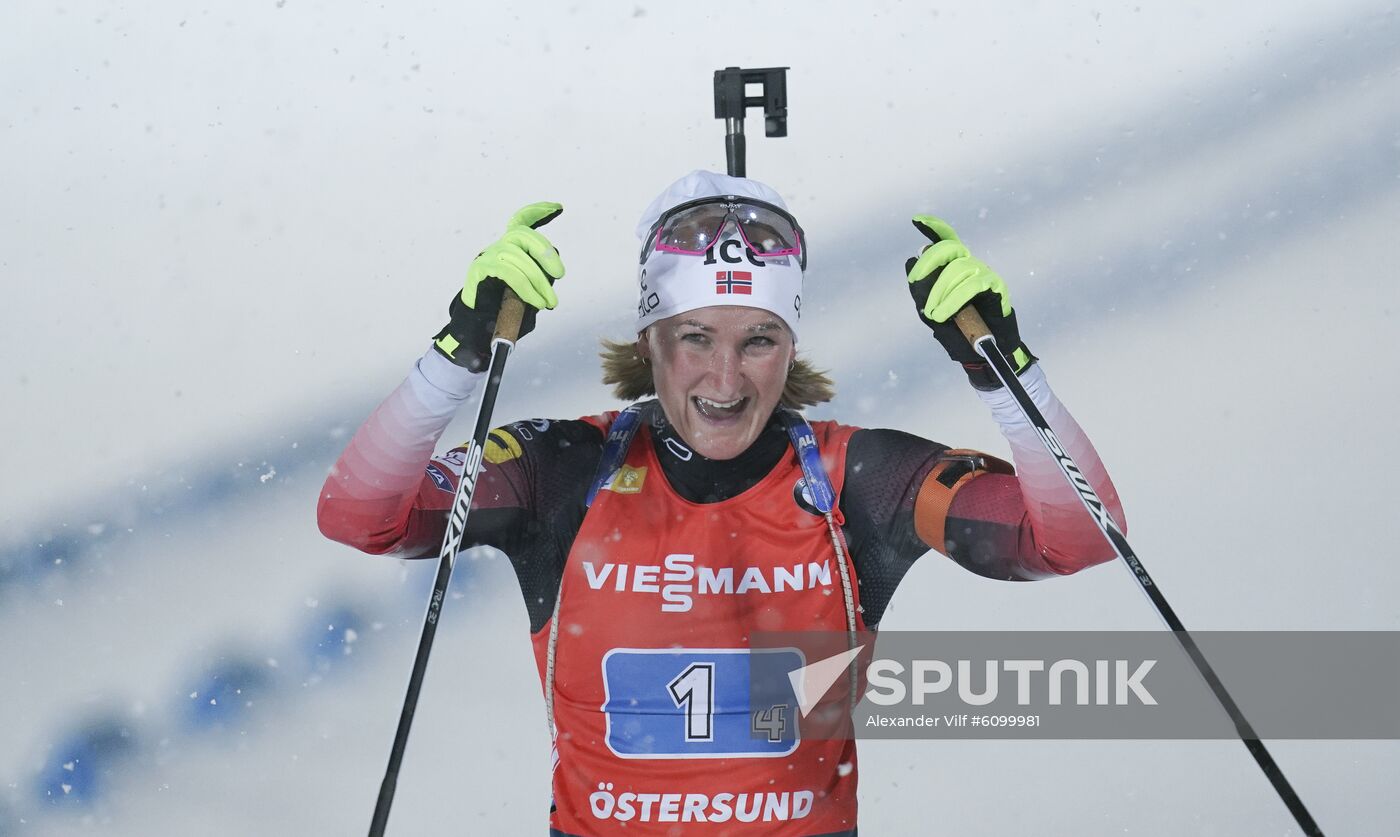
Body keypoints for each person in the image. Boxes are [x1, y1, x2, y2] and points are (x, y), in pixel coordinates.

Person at [318, 170, 1125, 836]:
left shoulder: (857, 477)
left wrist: (1007, 372)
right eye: (696, 337)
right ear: (649, 342)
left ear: (791, 345)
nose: (727, 379)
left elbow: (1077, 537)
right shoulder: (561, 469)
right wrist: (457, 353)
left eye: (759, 340)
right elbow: (361, 514)